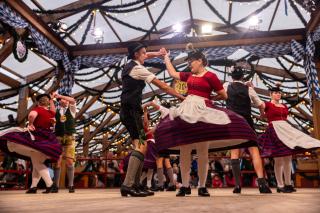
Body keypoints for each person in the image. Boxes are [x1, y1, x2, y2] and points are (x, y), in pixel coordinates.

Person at [155, 45, 259, 197]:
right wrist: (165, 57)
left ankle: (202, 186)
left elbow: (224, 95)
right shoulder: (188, 75)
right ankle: (185, 186)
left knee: (203, 150)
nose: (189, 64)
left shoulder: (211, 76)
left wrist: (209, 99)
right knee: (185, 149)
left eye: (191, 61)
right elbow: (171, 72)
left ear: (200, 61)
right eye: (188, 61)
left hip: (203, 109)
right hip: (186, 109)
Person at [119, 42, 185, 197]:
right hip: (131, 111)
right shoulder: (138, 69)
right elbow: (163, 86)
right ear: (136, 55)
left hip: (130, 110)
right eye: (143, 52)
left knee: (141, 146)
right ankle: (128, 185)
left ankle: (135, 184)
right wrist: (182, 97)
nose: (146, 55)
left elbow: (147, 55)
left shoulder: (130, 65)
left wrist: (159, 54)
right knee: (141, 146)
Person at [258, 86, 320, 193]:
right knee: (278, 160)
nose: (278, 94)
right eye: (276, 93)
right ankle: (280, 185)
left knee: (288, 159)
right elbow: (260, 107)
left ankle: (288, 184)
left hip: (285, 130)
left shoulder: (285, 106)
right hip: (275, 130)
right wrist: (261, 112)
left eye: (279, 93)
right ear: (271, 94)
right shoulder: (267, 104)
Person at [0, 93, 62, 193]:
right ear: (47, 103)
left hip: (37, 137)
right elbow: (53, 110)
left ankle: (50, 184)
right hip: (48, 138)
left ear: (38, 102)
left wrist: (31, 123)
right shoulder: (51, 113)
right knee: (37, 162)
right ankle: (33, 187)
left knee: (37, 162)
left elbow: (31, 115)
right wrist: (51, 99)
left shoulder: (38, 109)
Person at [223, 67, 271, 194]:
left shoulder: (226, 85)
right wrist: (261, 115)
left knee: (234, 153)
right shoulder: (249, 89)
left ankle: (237, 185)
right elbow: (261, 105)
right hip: (246, 122)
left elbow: (220, 95)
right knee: (254, 151)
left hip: (233, 122)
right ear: (243, 76)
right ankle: (262, 185)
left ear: (231, 76)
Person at [143, 101, 176, 192]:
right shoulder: (170, 116)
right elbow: (156, 128)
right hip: (168, 141)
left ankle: (160, 185)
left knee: (159, 161)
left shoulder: (165, 112)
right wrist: (149, 132)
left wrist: (148, 104)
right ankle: (172, 184)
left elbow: (154, 105)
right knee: (167, 162)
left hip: (162, 140)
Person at [51, 93, 77, 193]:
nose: (66, 101)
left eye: (66, 99)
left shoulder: (72, 109)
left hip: (70, 137)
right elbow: (52, 110)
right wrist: (52, 99)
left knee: (70, 161)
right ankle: (56, 186)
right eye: (64, 100)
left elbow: (73, 100)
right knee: (57, 162)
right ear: (59, 102)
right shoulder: (56, 111)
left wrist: (60, 96)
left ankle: (71, 185)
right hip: (58, 137)